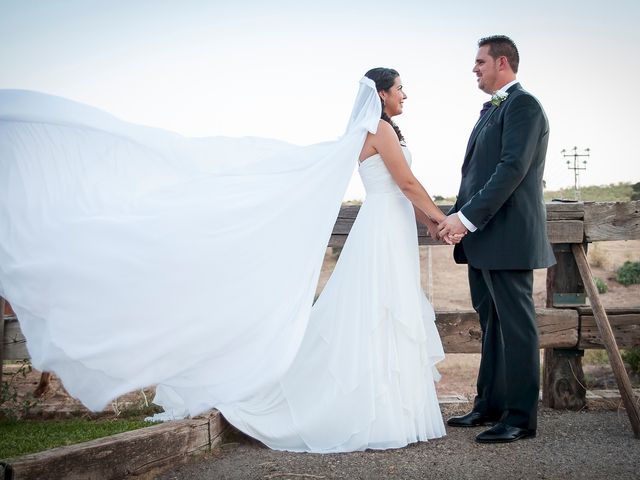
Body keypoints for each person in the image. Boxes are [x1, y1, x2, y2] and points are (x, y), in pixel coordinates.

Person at [0, 68, 449, 452]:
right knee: (377, 311)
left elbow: (404, 187)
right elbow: (406, 183)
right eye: (400, 88)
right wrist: (440, 219)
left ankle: (389, 410)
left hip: (389, 228)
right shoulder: (380, 130)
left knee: (387, 311)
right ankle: (371, 411)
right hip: (382, 230)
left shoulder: (376, 131)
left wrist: (427, 221)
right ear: (382, 93)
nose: (405, 94)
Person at [438, 35, 556, 443]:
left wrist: (466, 219)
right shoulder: (492, 109)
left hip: (507, 237)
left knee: (517, 327)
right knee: (491, 323)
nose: (474, 68)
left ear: (501, 62)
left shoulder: (523, 106)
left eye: (480, 61)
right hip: (484, 238)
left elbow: (511, 170)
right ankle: (489, 404)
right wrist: (455, 216)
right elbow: (473, 175)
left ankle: (520, 417)